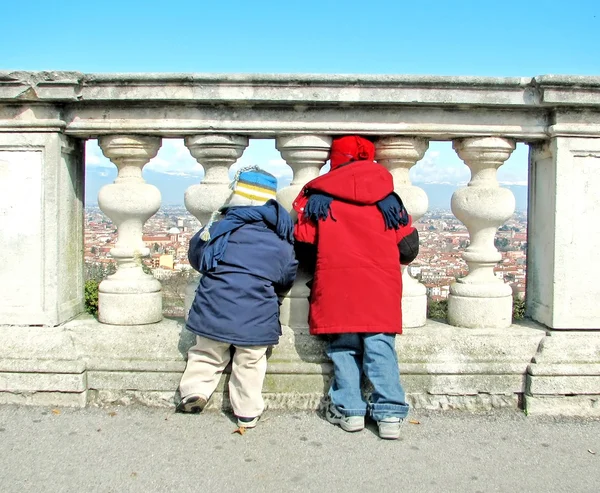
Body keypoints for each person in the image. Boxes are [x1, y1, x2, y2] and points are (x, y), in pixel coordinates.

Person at [293, 136, 419, 440]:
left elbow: (304, 247)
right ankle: (389, 413)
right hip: (380, 291)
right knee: (380, 348)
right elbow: (408, 248)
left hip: (338, 289)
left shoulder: (318, 200)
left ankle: (350, 412)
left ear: (334, 160)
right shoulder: (390, 201)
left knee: (343, 347)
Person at [177, 167, 298, 429]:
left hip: (212, 312)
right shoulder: (280, 242)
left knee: (206, 353)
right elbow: (286, 277)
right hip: (256, 320)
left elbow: (197, 258)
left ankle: (194, 392)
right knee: (251, 362)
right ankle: (247, 411)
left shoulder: (218, 229)